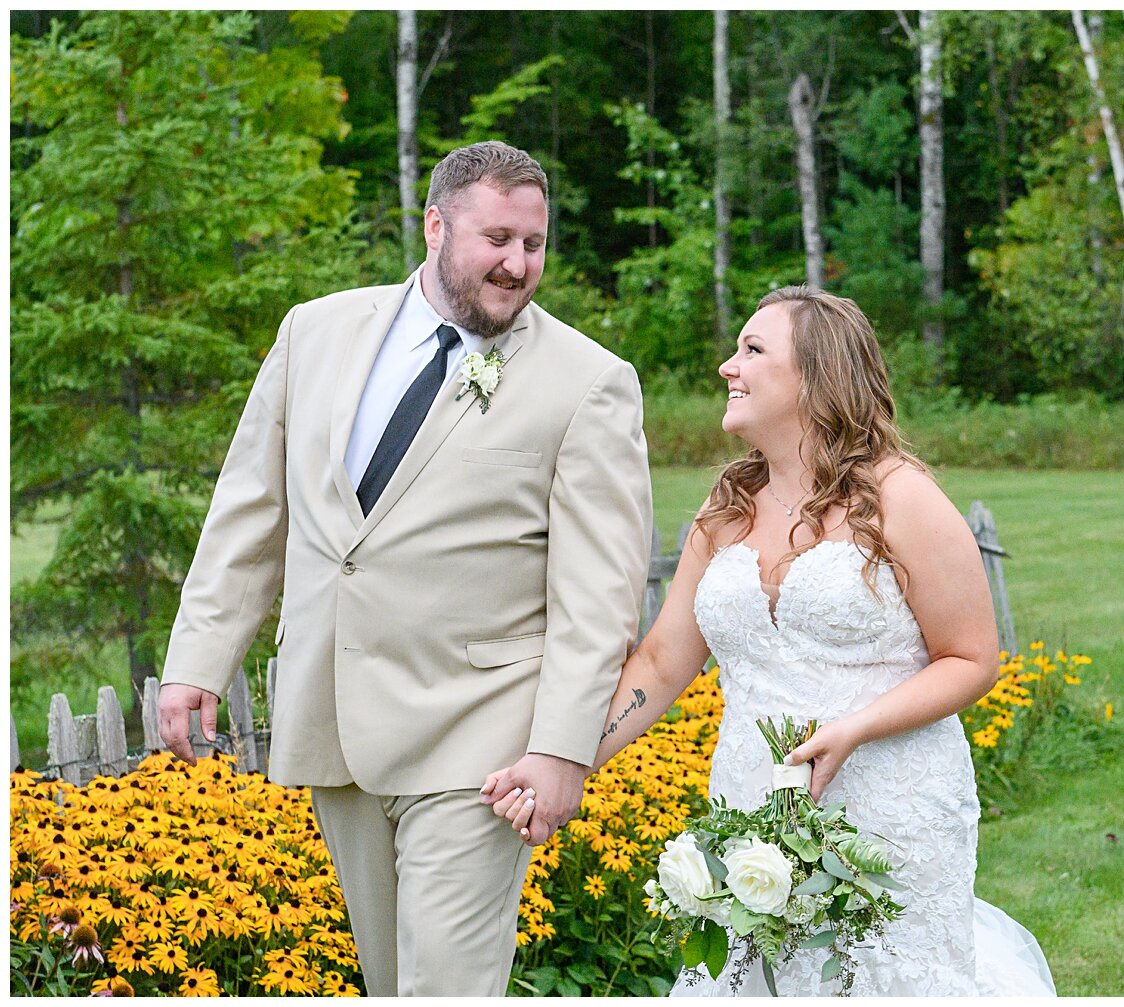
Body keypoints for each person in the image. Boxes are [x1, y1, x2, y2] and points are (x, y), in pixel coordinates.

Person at [156, 141, 652, 996]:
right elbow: (251, 508)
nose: (517, 264)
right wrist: (199, 658)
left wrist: (562, 750)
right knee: (389, 983)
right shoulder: (314, 331)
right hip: (337, 723)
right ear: (434, 225)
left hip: (481, 742)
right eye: (496, 238)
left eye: (533, 244)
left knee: (446, 988)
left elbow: (598, 595)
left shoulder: (590, 383)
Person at [484, 287, 1056, 996]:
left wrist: (854, 728)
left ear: (817, 379)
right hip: (751, 809)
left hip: (890, 810)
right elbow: (663, 663)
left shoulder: (901, 497)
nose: (728, 366)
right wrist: (566, 760)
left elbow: (972, 658)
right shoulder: (727, 506)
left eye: (753, 350)